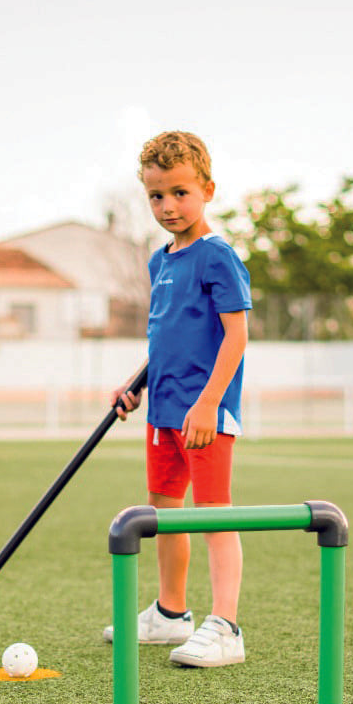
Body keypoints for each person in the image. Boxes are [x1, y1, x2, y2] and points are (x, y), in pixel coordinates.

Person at [103, 130, 252, 667]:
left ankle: (227, 626)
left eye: (180, 193)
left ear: (207, 189)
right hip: (164, 411)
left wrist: (210, 402)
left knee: (214, 515)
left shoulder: (218, 257)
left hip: (205, 413)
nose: (168, 206)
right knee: (166, 512)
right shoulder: (159, 261)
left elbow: (235, 336)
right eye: (156, 196)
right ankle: (170, 613)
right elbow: (165, 341)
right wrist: (134, 386)